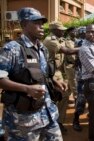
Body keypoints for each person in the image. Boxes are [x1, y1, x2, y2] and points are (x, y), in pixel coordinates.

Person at [0, 7, 63, 140]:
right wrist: (26, 88)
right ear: (23, 25)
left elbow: (42, 74)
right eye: (36, 23)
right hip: (24, 121)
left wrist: (54, 81)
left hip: (48, 113)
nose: (41, 27)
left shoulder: (43, 49)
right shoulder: (12, 49)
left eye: (42, 23)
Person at [43, 21, 78, 133]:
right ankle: (54, 123)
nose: (63, 31)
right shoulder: (50, 41)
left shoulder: (58, 39)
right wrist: (85, 48)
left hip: (57, 72)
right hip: (50, 73)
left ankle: (57, 121)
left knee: (62, 96)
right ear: (53, 30)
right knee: (59, 96)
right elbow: (67, 51)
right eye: (61, 29)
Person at [72, 26, 87, 131]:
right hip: (83, 74)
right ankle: (76, 120)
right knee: (82, 98)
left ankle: (76, 120)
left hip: (82, 74)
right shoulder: (82, 42)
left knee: (81, 98)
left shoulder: (77, 41)